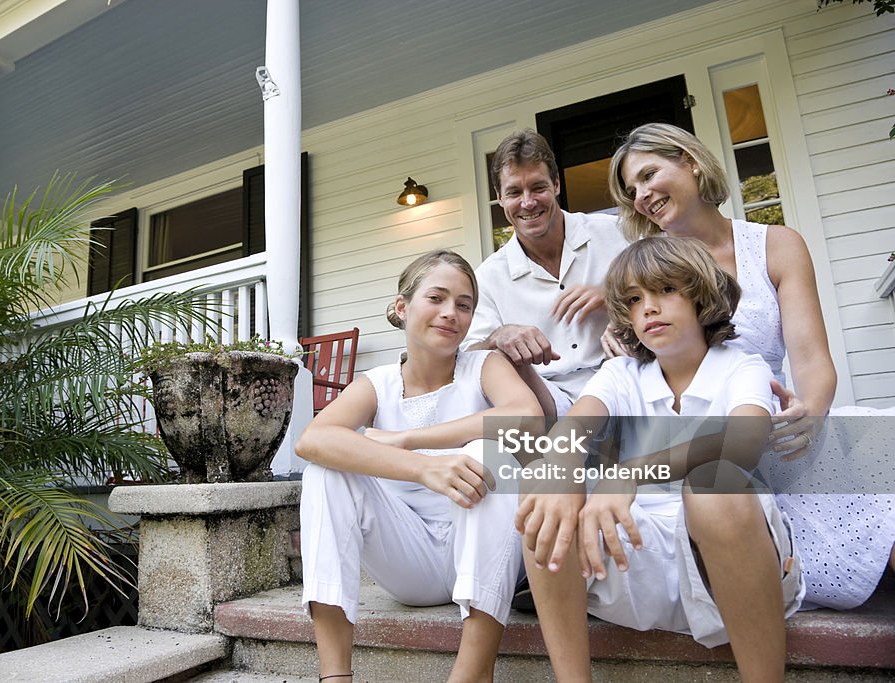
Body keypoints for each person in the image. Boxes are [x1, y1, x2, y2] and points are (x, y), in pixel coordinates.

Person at [607, 122, 895, 609]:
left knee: (872, 442)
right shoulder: (643, 274)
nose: (642, 196)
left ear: (691, 162)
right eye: (632, 191)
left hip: (777, 426)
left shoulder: (776, 245)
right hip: (703, 446)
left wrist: (811, 414)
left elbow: (813, 361)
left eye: (650, 174)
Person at [517, 236, 804, 682]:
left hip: (731, 572)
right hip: (634, 565)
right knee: (548, 481)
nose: (649, 307)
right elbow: (574, 428)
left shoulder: (742, 366)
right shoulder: (620, 373)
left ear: (700, 294)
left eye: (665, 290)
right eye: (634, 299)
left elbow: (744, 441)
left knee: (715, 485)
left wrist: (630, 472)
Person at [296, 249, 543, 683]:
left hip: (485, 548)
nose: (451, 313)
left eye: (464, 305)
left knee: (491, 453)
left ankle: (471, 674)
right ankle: (335, 675)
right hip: (409, 561)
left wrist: (410, 439)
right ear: (402, 307)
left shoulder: (484, 365)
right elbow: (313, 440)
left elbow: (526, 415)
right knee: (325, 470)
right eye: (437, 298)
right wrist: (423, 468)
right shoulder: (377, 383)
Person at [464, 129, 628, 418]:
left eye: (538, 188)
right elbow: (467, 357)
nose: (528, 202)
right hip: (545, 399)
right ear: (500, 197)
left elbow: (670, 283)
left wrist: (616, 294)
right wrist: (497, 337)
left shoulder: (614, 233)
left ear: (555, 184)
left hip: (626, 375)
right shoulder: (488, 277)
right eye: (514, 192)